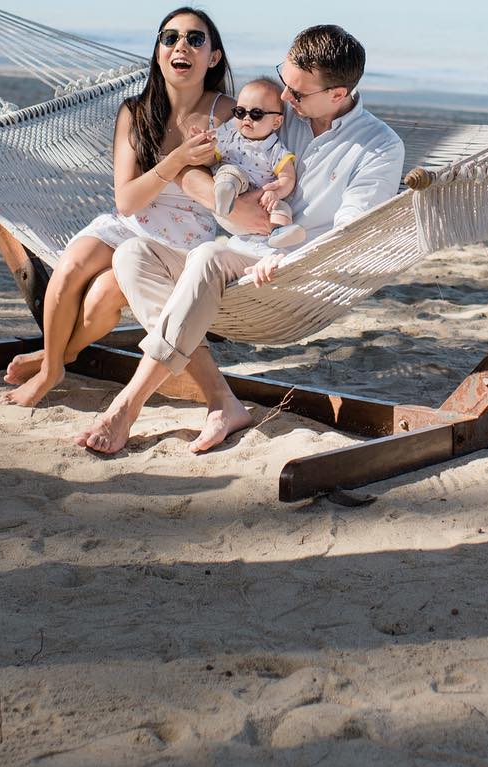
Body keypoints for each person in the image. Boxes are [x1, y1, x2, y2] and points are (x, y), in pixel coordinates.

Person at [74, 23, 404, 455]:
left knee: (207, 257)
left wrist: (292, 261)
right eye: (284, 80)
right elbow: (211, 162)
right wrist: (216, 188)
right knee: (133, 254)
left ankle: (126, 406)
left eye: (297, 93)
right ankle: (222, 401)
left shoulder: (379, 148)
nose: (283, 97)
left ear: (338, 94)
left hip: (294, 274)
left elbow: (350, 234)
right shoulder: (277, 114)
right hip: (239, 253)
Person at [0, 6, 234, 407]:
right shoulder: (136, 111)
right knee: (71, 264)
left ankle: (58, 356)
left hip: (182, 238)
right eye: (170, 38)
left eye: (195, 39)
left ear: (213, 57)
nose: (181, 45)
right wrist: (178, 160)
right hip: (132, 221)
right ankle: (51, 370)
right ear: (159, 52)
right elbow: (126, 200)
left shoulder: (227, 113)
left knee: (105, 292)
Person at [211, 77, 305, 251]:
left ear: (276, 122)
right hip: (231, 206)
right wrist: (204, 143)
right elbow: (209, 156)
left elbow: (288, 178)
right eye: (240, 112)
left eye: (256, 114)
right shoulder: (229, 137)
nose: (246, 118)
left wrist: (275, 193)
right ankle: (225, 191)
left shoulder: (275, 149)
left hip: (260, 205)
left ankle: (279, 232)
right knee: (231, 172)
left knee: (282, 207)